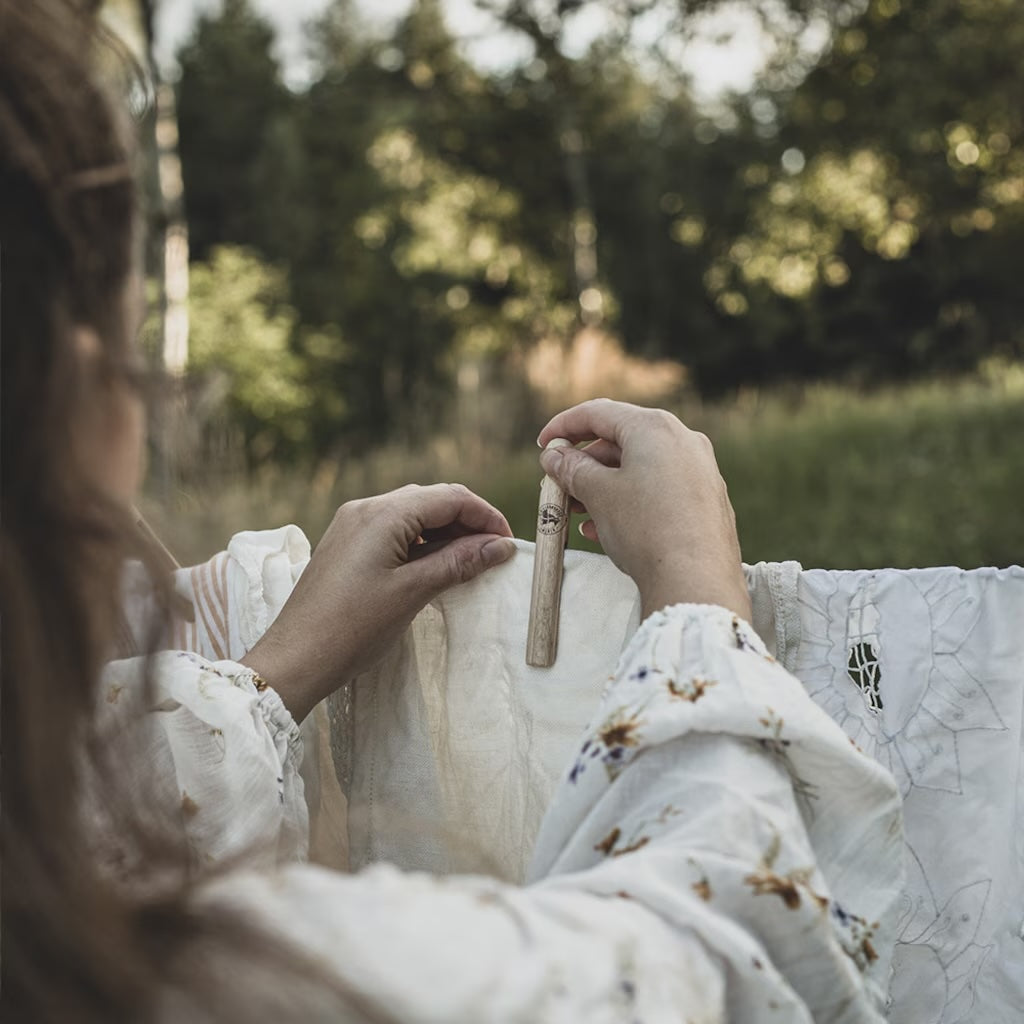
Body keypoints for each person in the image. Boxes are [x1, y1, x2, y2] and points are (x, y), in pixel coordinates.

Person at [1, 1, 904, 1021]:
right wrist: (698, 597)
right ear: (81, 402)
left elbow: (81, 817)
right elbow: (708, 965)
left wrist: (275, 671)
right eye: (131, 349)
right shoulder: (249, 982)